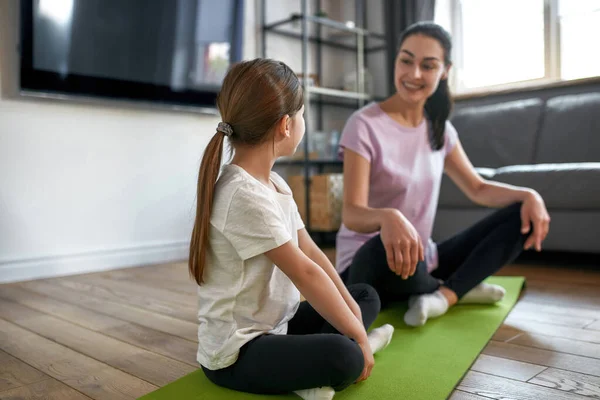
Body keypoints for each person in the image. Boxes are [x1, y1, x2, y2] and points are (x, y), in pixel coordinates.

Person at [188, 58, 394, 400]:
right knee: (343, 356)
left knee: (363, 297)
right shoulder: (242, 194)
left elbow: (311, 252)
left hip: (277, 324)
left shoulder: (276, 184)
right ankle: (342, 357)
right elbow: (305, 274)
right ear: (285, 125)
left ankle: (317, 367)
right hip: (237, 353)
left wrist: (353, 317)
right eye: (301, 115)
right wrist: (355, 334)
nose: (303, 123)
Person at [335, 22, 551, 327]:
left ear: (445, 70)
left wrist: (530, 195)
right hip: (370, 261)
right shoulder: (364, 124)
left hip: (423, 259)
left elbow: (477, 188)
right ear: (396, 59)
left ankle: (443, 295)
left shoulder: (441, 130)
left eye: (428, 65)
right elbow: (352, 213)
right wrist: (388, 218)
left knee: (521, 216)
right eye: (406, 61)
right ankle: (458, 287)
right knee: (383, 251)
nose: (414, 74)